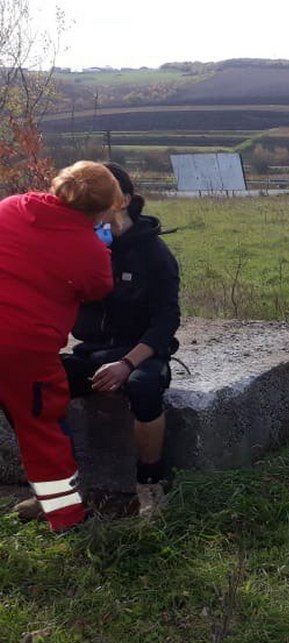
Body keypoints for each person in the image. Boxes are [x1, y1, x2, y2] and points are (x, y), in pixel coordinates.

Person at [13, 163, 181, 520]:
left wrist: (127, 363)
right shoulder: (78, 243)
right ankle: (61, 492)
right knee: (31, 390)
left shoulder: (153, 254)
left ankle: (149, 487)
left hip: (138, 354)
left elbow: (167, 320)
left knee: (145, 388)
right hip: (91, 350)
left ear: (125, 201)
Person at [0, 161, 120, 532]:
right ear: (102, 209)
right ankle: (67, 517)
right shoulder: (90, 251)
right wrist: (101, 245)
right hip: (21, 349)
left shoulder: (11, 206)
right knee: (41, 428)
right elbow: (98, 289)